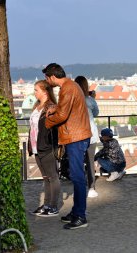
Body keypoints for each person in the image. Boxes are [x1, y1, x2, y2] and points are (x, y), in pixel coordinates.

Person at [43, 63, 92, 229]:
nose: (46, 81)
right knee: (76, 176)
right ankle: (77, 211)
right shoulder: (71, 85)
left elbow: (63, 115)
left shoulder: (68, 88)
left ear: (52, 77)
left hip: (76, 137)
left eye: (46, 78)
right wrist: (55, 108)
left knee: (78, 178)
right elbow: (67, 107)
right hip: (77, 136)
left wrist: (47, 122)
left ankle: (80, 216)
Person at [28, 80, 61, 216]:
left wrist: (50, 145)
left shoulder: (51, 107)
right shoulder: (37, 106)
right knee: (46, 177)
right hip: (36, 146)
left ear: (45, 91)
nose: (34, 92)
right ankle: (46, 204)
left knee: (53, 177)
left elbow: (55, 128)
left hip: (47, 147)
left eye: (36, 90)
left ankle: (53, 206)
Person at [75, 76, 100, 198]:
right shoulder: (89, 100)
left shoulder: (73, 100)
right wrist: (92, 98)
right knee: (90, 162)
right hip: (91, 134)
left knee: (78, 162)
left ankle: (79, 185)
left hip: (77, 134)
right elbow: (96, 113)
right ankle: (91, 187)